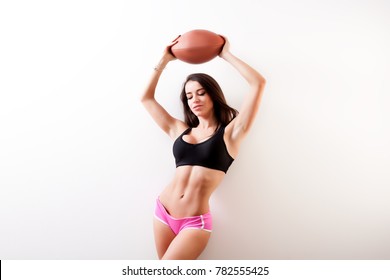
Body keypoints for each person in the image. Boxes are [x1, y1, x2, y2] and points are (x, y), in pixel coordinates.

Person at [140, 36, 266, 260]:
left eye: (201, 93)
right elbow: (146, 99)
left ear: (213, 95)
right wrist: (165, 59)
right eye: (189, 96)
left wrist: (225, 54)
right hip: (163, 212)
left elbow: (258, 83)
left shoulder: (231, 134)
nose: (194, 99)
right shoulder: (179, 130)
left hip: (194, 223)